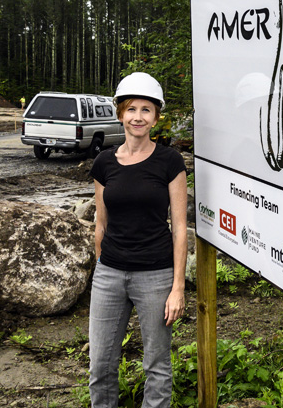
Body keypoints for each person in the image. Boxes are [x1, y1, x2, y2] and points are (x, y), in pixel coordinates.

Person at [88, 72, 187, 407]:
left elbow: (179, 229)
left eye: (146, 110)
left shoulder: (170, 162)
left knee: (156, 365)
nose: (138, 117)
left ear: (156, 117)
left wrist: (177, 288)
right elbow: (100, 223)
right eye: (132, 109)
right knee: (100, 365)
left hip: (155, 276)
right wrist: (102, 264)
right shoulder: (104, 163)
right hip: (109, 275)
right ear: (120, 114)